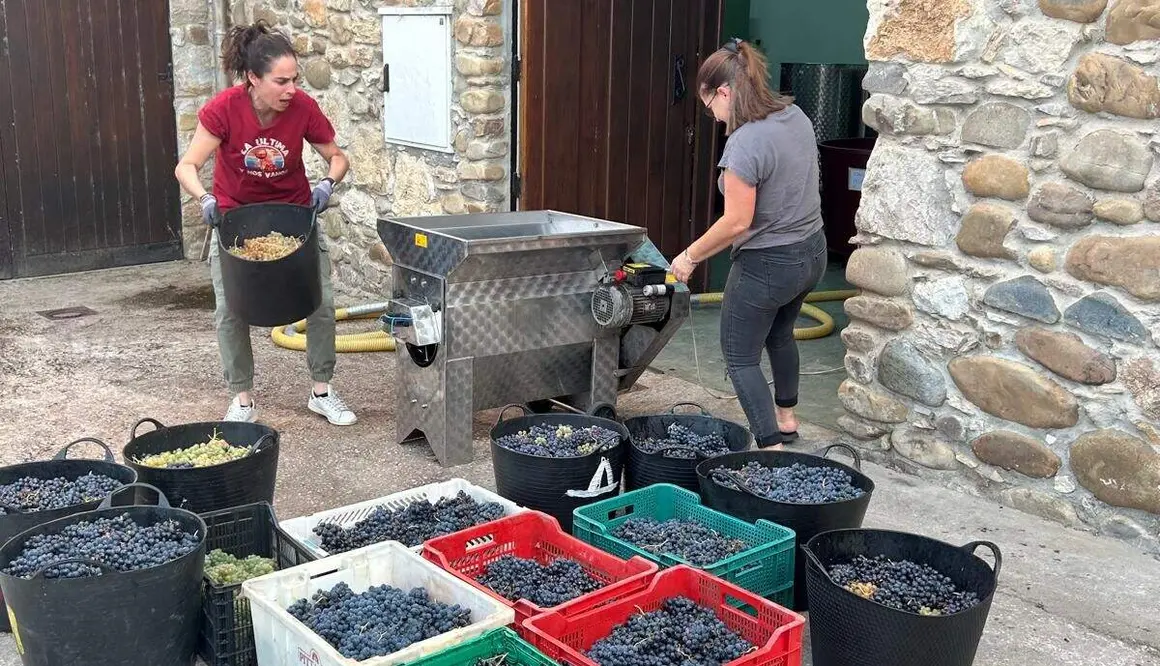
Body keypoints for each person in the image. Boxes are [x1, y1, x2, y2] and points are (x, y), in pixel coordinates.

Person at [174, 20, 357, 426]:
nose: (291, 89)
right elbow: (187, 165)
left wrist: (327, 184)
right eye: (281, 81)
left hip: (294, 221)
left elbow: (338, 157)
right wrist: (204, 198)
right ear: (253, 78)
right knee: (230, 311)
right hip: (237, 224)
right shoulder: (223, 109)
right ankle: (242, 399)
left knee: (321, 304)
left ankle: (321, 391)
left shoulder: (303, 107)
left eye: (294, 79)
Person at [671, 38, 827, 449]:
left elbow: (737, 221)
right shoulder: (794, 115)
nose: (716, 118)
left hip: (768, 264)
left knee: (740, 357)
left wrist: (689, 257)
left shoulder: (744, 143)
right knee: (780, 335)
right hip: (812, 252)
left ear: (724, 92)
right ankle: (787, 421)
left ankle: (771, 450)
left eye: (711, 108)